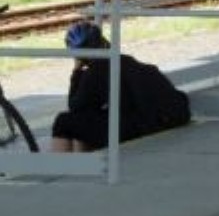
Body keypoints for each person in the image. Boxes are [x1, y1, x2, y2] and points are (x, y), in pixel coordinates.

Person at [50, 21, 190, 153]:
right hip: (168, 116)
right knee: (85, 121)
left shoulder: (95, 72)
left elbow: (75, 107)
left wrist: (77, 71)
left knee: (64, 122)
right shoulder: (125, 60)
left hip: (145, 125)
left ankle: (62, 166)